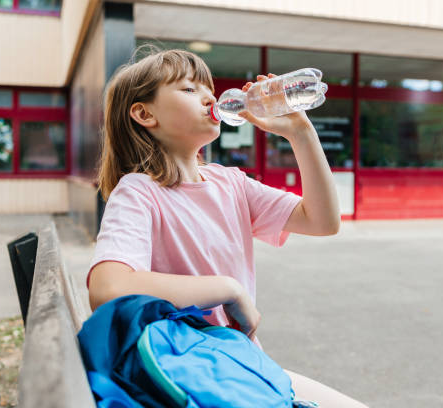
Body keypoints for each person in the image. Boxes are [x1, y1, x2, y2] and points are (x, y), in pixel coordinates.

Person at [87, 48, 368, 408]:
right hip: (193, 370)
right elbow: (108, 288)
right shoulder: (139, 191)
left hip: (241, 365)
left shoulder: (230, 182)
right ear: (145, 114)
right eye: (189, 89)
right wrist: (229, 290)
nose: (209, 97)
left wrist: (300, 132)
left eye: (209, 87)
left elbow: (323, 220)